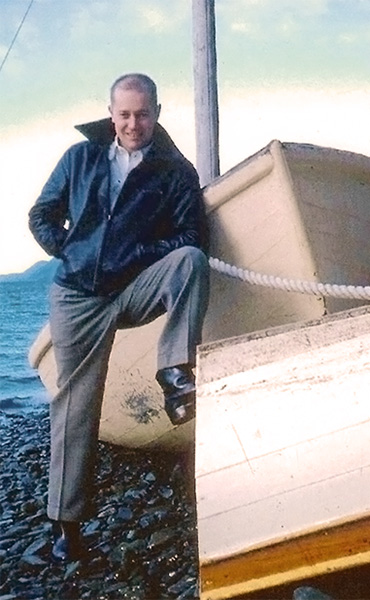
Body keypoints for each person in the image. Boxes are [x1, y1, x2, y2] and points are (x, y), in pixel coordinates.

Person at [28, 73, 210, 562]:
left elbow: (192, 235)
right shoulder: (80, 158)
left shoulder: (175, 172)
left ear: (156, 112)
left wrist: (137, 254)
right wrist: (72, 253)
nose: (134, 123)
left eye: (143, 113)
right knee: (75, 405)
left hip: (131, 289)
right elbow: (41, 215)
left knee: (189, 262)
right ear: (111, 114)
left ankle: (175, 374)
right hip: (78, 297)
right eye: (125, 114)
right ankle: (66, 527)